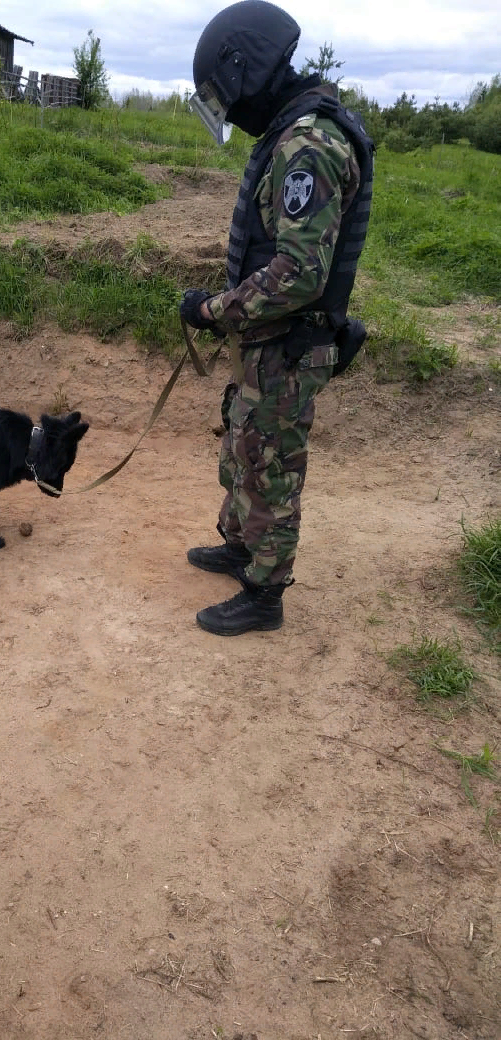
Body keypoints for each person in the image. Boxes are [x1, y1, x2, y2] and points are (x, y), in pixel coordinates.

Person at [180, 0, 374, 636]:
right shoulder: (291, 133)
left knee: (271, 471)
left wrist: (212, 310)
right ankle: (240, 550)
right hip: (264, 341)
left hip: (287, 344)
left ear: (248, 71)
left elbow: (298, 273)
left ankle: (265, 595)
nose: (232, 115)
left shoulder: (309, 144)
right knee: (244, 450)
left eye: (229, 101)